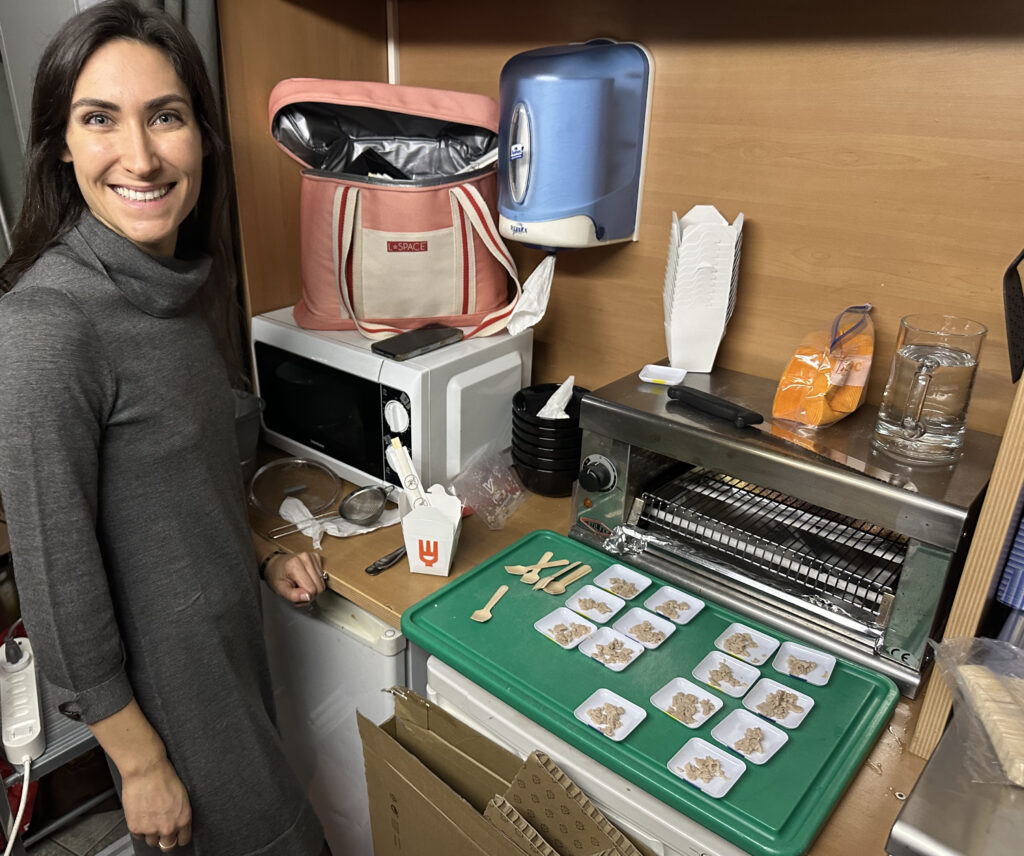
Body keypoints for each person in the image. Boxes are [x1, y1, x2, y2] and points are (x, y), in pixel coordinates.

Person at [0, 2, 330, 853]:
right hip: (168, 698)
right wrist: (138, 761)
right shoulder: (50, 321)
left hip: (225, 650)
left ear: (203, 138)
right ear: (60, 144)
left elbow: (185, 479)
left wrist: (261, 552)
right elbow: (53, 571)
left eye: (166, 116)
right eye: (99, 119)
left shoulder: (181, 285)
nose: (141, 157)